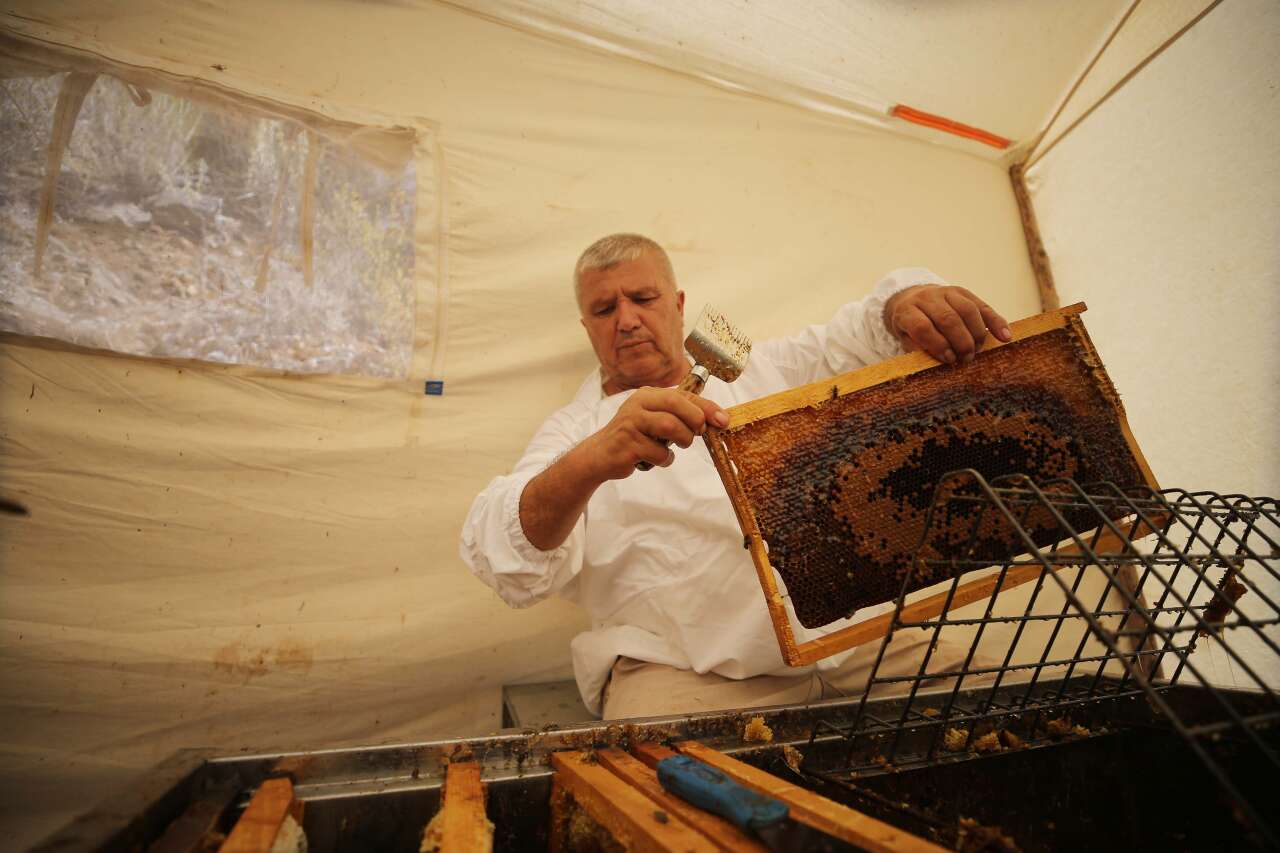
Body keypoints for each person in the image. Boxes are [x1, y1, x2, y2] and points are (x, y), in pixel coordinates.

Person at [461, 234, 1012, 718]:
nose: (626, 319)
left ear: (678, 305)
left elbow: (863, 334)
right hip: (683, 672)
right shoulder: (574, 430)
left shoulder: (766, 367)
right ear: (588, 328)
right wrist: (592, 459)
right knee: (659, 802)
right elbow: (507, 556)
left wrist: (905, 301)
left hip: (854, 644)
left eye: (643, 298)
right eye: (604, 309)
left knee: (1022, 705)